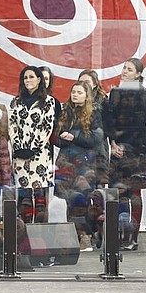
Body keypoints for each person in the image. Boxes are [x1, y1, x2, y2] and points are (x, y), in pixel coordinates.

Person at [104, 57, 146, 250]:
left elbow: (139, 123)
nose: (125, 71)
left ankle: (132, 237)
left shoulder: (143, 93)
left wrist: (125, 146)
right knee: (118, 191)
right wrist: (114, 144)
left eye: (130, 69)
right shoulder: (114, 92)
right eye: (124, 68)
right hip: (117, 149)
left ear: (138, 74)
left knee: (134, 192)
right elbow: (109, 121)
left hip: (136, 149)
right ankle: (120, 235)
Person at [52, 81, 107, 249]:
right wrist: (63, 138)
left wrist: (74, 137)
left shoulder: (94, 113)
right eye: (73, 92)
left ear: (86, 96)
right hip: (65, 160)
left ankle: (87, 235)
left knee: (83, 199)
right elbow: (55, 137)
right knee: (66, 199)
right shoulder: (64, 112)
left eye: (79, 92)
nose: (75, 95)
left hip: (85, 162)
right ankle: (72, 235)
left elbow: (96, 139)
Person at [8, 66, 57, 222]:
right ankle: (24, 231)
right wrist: (18, 147)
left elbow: (47, 127)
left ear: (39, 79)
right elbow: (12, 125)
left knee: (39, 196)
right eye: (25, 78)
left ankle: (40, 231)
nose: (28, 80)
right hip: (20, 155)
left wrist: (33, 148)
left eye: (31, 77)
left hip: (40, 155)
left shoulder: (48, 101)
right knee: (24, 198)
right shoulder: (16, 101)